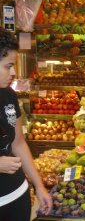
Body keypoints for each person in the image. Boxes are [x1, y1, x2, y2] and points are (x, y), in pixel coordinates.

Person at [0, 28, 52, 220]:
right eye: (8, 66)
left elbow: (19, 143)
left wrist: (38, 186)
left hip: (17, 197)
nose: (13, 72)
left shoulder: (8, 96)